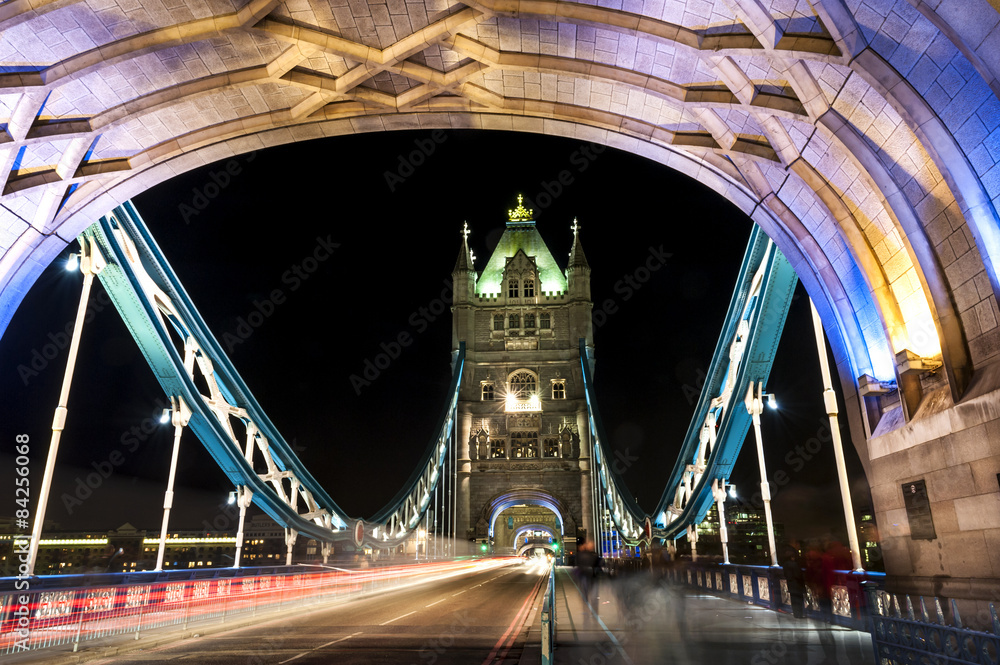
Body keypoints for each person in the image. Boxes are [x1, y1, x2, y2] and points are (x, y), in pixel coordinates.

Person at [779, 539, 806, 618]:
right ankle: (800, 614)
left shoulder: (785, 564)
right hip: (797, 585)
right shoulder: (794, 564)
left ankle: (796, 614)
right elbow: (798, 575)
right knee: (799, 600)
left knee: (794, 600)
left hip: (791, 584)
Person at [575, 538, 598, 606]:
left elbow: (597, 563)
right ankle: (586, 599)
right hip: (584, 574)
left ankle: (589, 600)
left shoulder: (593, 554)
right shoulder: (585, 554)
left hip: (591, 575)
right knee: (586, 587)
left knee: (591, 588)